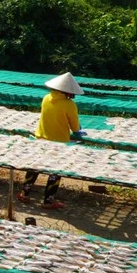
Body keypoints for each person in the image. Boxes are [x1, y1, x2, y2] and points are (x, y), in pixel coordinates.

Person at [18, 72, 84, 210]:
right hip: (58, 142)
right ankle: (48, 201)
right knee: (55, 171)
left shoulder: (46, 98)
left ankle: (24, 194)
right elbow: (75, 127)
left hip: (41, 138)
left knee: (35, 167)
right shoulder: (69, 105)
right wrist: (79, 130)